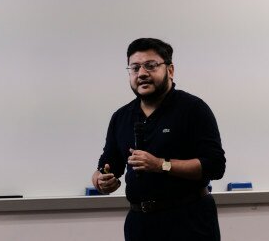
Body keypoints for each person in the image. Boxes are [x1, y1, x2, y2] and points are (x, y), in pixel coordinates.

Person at [91, 38, 226, 240]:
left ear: (170, 70)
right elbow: (107, 167)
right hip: (140, 224)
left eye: (151, 66)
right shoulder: (121, 117)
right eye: (135, 68)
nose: (142, 73)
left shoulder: (193, 109)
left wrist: (160, 165)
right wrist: (102, 181)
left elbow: (215, 166)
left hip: (189, 222)